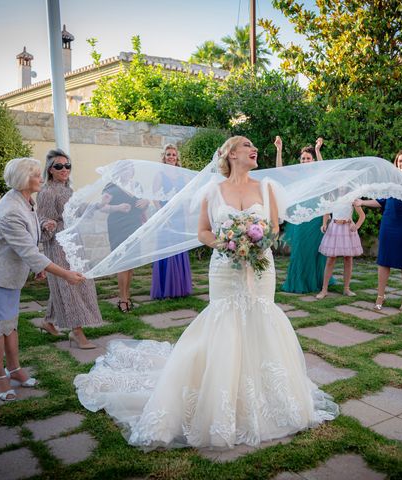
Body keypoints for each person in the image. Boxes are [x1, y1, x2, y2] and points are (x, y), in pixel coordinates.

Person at [73, 136, 338, 450]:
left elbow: (276, 228)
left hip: (260, 266)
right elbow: (202, 231)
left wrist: (256, 245)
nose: (254, 149)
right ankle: (218, 398)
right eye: (247, 145)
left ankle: (269, 399)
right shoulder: (212, 191)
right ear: (230, 154)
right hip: (225, 267)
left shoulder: (266, 188)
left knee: (260, 317)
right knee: (224, 321)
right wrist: (227, 244)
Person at [0, 157, 84, 401]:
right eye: (34, 175)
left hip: (8, 275)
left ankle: (16, 370)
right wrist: (65, 274)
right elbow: (28, 251)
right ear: (21, 179)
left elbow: (30, 241)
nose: (40, 178)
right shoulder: (9, 211)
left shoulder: (26, 201)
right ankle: (0, 377)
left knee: (10, 324)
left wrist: (36, 267)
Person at [37, 149, 104, 349]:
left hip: (74, 240)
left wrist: (97, 206)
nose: (64, 169)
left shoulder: (68, 189)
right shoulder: (47, 192)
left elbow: (74, 212)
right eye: (59, 166)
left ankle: (48, 322)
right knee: (69, 284)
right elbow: (41, 218)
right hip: (58, 242)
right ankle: (76, 332)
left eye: (67, 166)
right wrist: (46, 224)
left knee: (64, 283)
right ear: (50, 170)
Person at [354, 149, 402, 311]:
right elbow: (382, 201)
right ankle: (380, 295)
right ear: (396, 163)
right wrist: (362, 202)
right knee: (384, 260)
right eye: (400, 161)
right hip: (388, 222)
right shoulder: (391, 179)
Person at [276, 136, 335, 294]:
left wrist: (317, 150)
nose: (305, 160)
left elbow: (324, 167)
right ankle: (299, 281)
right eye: (303, 158)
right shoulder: (296, 174)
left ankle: (317, 281)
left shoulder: (318, 173)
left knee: (316, 250)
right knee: (300, 249)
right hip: (300, 216)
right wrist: (279, 150)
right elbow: (279, 171)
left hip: (316, 216)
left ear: (313, 160)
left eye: (308, 158)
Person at [100, 161, 150, 312]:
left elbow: (142, 204)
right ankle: (122, 300)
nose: (127, 172)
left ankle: (128, 296)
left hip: (134, 226)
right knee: (122, 263)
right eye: (124, 169)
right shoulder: (111, 187)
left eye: (129, 169)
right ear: (118, 171)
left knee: (131, 263)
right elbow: (102, 207)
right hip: (118, 226)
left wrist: (146, 201)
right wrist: (118, 207)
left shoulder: (137, 186)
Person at [150, 144, 193, 299]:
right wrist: (163, 214)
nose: (171, 157)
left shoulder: (184, 176)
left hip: (180, 216)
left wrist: (187, 215)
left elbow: (187, 197)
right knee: (167, 249)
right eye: (168, 154)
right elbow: (154, 198)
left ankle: (180, 288)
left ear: (177, 157)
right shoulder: (160, 175)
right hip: (166, 217)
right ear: (164, 157)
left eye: (174, 154)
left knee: (179, 249)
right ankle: (166, 289)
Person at [316, 199, 365, 299]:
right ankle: (324, 289)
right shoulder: (333, 197)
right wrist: (324, 224)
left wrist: (356, 226)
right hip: (334, 228)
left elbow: (362, 216)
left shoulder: (353, 198)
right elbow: (326, 212)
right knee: (331, 259)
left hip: (348, 229)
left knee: (348, 258)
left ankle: (346, 288)